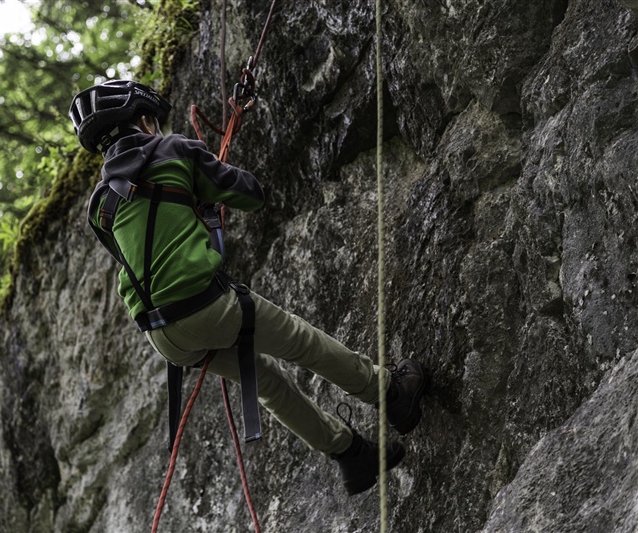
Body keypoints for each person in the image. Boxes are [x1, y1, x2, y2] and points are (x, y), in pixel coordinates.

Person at [68, 79, 429, 495]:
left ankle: (352, 456)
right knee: (302, 342)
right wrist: (200, 191)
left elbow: (142, 256)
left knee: (266, 382)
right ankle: (392, 394)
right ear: (145, 121)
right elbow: (250, 193)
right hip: (207, 306)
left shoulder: (99, 205)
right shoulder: (174, 149)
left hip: (162, 335)